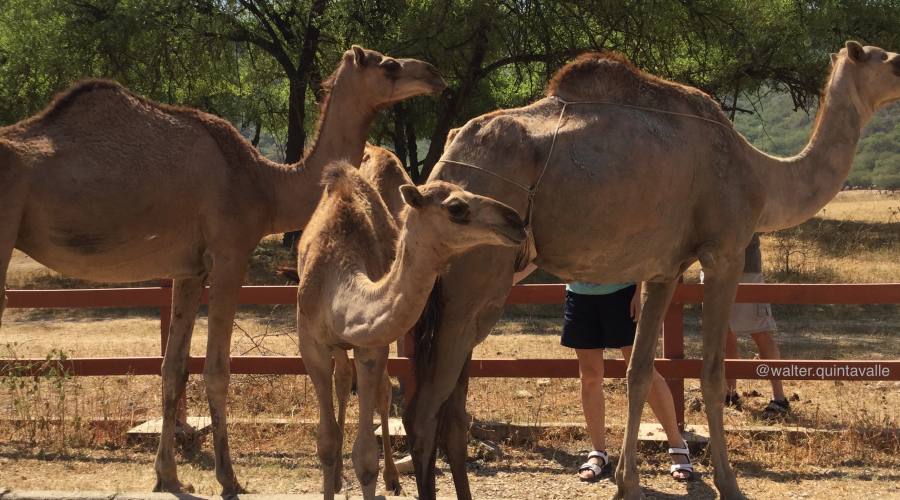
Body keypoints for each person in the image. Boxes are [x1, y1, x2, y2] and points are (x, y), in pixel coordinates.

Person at [514, 265, 693, 482]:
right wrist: (509, 278)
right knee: (590, 376)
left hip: (624, 293)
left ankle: (676, 444)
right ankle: (599, 452)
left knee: (643, 371)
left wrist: (639, 291)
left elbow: (638, 244)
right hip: (579, 295)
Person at [721, 234, 791, 419]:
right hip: (714, 267)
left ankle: (779, 398)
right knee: (724, 333)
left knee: (760, 332)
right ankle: (729, 394)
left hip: (745, 268)